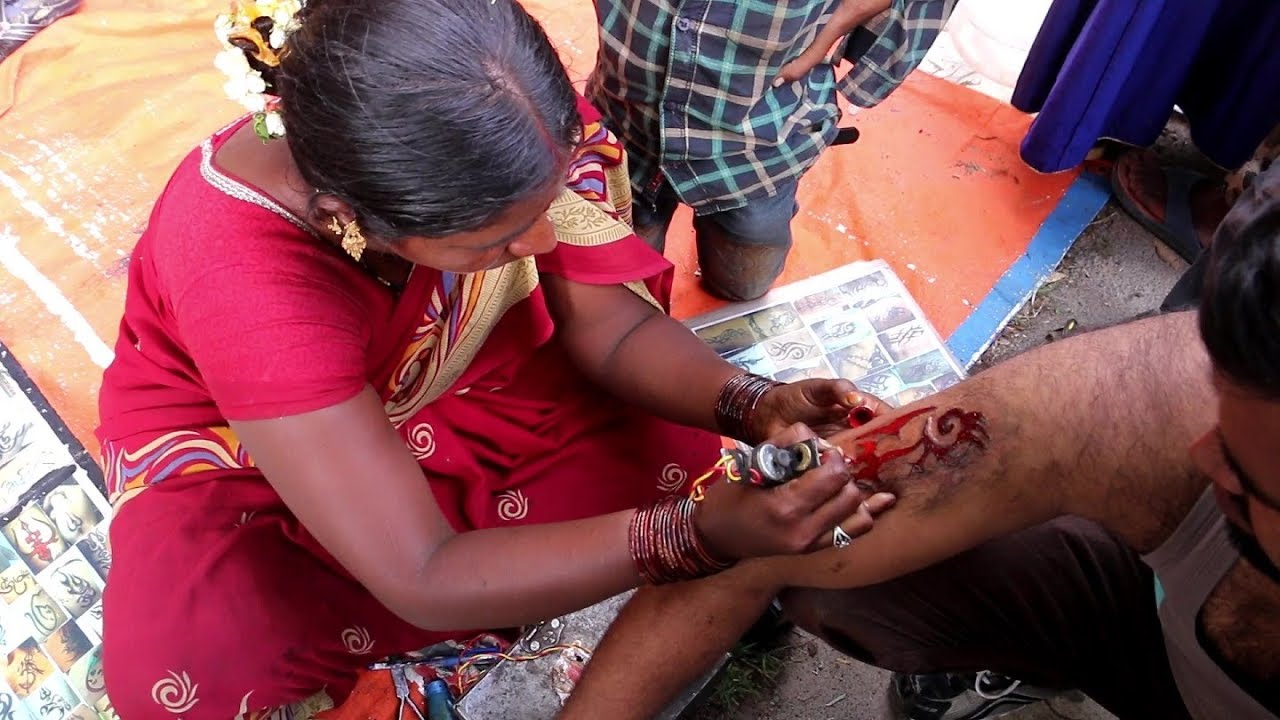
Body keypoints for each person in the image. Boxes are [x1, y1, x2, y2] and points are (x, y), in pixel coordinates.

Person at [94, 0, 897, 716]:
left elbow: (609, 328)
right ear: (350, 219)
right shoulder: (246, 281)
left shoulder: (506, 115)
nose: (542, 245)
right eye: (498, 241)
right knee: (194, 667)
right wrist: (695, 538)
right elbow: (423, 571)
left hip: (468, 367)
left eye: (543, 210)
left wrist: (753, 402)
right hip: (261, 453)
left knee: (670, 456)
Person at [559, 165, 1280, 719]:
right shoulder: (1145, 399)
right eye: (1223, 406)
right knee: (828, 544)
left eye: (1251, 482)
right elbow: (758, 546)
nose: (1204, 455)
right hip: (1149, 623)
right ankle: (1012, 655)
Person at [587, 0, 957, 300]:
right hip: (626, 122)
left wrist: (845, 20)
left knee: (742, 284)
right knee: (623, 288)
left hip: (758, 140)